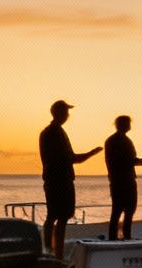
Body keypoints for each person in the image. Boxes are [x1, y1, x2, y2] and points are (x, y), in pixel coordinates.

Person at [39, 100, 101, 257]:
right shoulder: (56, 133)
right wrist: (91, 153)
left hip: (53, 179)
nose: (68, 115)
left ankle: (49, 250)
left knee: (53, 216)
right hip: (61, 180)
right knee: (61, 217)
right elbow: (71, 158)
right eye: (66, 112)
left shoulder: (48, 132)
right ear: (59, 113)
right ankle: (56, 253)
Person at [103, 115, 142, 240]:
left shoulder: (111, 141)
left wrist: (139, 161)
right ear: (123, 124)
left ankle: (116, 237)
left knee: (118, 210)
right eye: (128, 123)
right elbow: (127, 160)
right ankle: (125, 236)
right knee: (127, 210)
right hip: (124, 180)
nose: (130, 126)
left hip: (117, 180)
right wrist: (141, 161)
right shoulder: (122, 141)